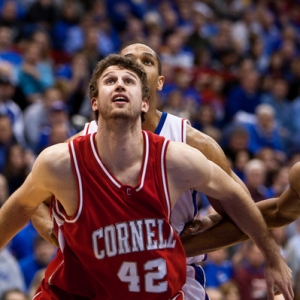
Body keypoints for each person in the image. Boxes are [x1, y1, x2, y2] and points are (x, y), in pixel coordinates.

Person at [0, 54, 293, 299]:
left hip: (159, 287)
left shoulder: (178, 156)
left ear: (145, 102)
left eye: (129, 80)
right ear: (94, 102)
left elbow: (235, 197)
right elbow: (23, 204)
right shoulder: (63, 160)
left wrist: (272, 255)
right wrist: (55, 232)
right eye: (110, 80)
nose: (120, 85)